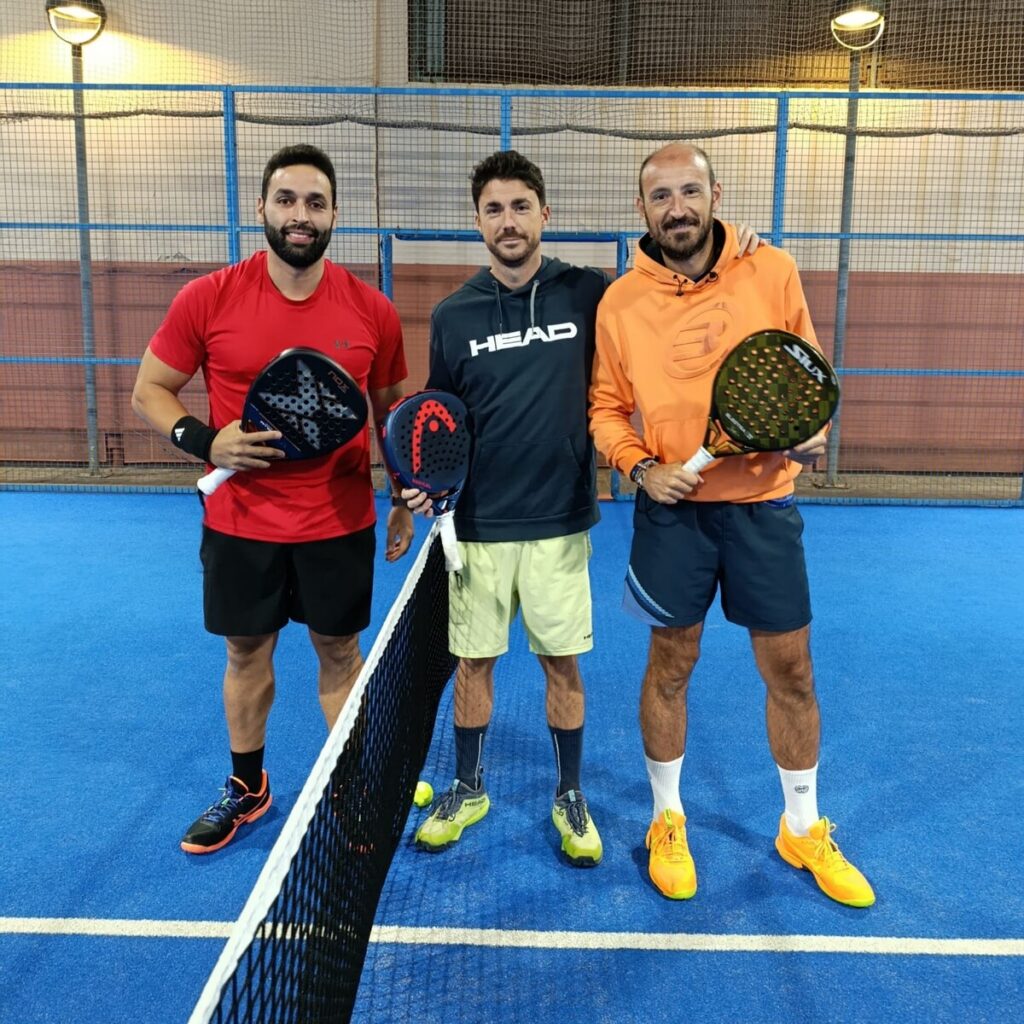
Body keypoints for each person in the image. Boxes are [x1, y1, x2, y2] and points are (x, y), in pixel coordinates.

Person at [402, 150, 761, 868]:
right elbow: (439, 419)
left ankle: (569, 793)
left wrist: (737, 248)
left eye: (521, 207)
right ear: (477, 221)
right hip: (475, 527)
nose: (509, 222)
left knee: (560, 664)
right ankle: (468, 786)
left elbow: (670, 281)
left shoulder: (590, 293)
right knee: (472, 666)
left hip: (559, 521)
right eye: (494, 210)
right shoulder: (452, 314)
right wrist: (420, 489)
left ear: (545, 215)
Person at [589, 142, 874, 907]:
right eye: (660, 196)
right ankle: (667, 819)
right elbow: (605, 411)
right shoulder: (619, 302)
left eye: (690, 190)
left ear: (717, 193)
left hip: (763, 511)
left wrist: (807, 436)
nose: (676, 208)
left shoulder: (771, 270)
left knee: (792, 672)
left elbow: (805, 377)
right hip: (670, 520)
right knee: (670, 667)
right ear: (642, 209)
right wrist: (640, 467)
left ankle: (802, 828)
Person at [131, 143, 414, 855]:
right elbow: (149, 391)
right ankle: (247, 787)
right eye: (286, 200)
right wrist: (205, 441)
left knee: (339, 653)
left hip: (337, 519)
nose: (300, 215)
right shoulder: (209, 297)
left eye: (315, 203)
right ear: (261, 209)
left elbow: (390, 415)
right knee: (246, 651)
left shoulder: (371, 310)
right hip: (241, 521)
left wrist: (406, 497)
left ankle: (348, 786)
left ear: (334, 216)